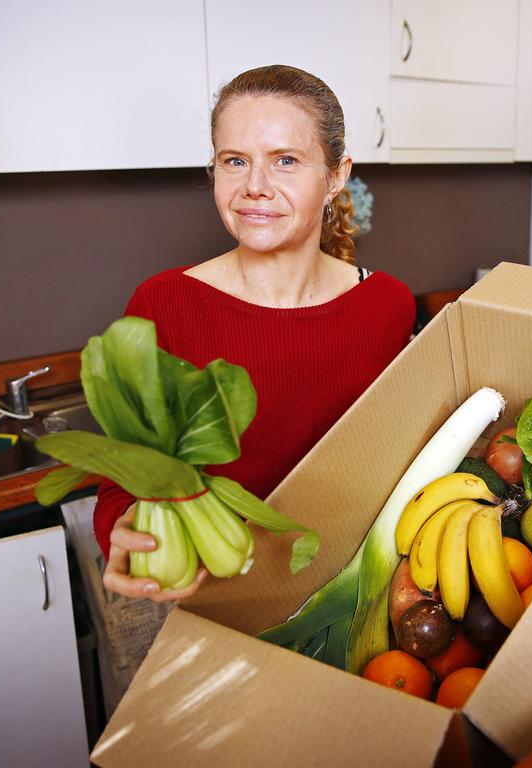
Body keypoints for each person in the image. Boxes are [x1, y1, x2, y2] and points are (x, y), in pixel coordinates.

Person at [95, 64, 415, 602]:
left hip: (349, 590)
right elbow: (122, 481)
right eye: (234, 161)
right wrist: (124, 532)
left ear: (337, 175)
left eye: (285, 160)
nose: (254, 188)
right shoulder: (163, 305)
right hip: (214, 594)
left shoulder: (387, 306)